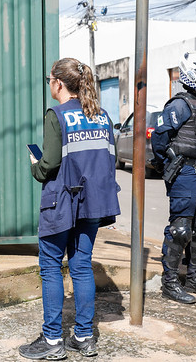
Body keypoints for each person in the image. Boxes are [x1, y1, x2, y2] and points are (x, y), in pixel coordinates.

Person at [18, 58, 120, 360]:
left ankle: (51, 342)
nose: (49, 83)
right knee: (81, 265)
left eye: (49, 78)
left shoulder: (56, 115)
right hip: (92, 203)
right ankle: (84, 337)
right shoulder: (101, 115)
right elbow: (109, 160)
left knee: (50, 266)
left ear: (58, 83)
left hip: (61, 202)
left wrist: (35, 168)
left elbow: (49, 165)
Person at [150, 52, 196, 304]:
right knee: (180, 229)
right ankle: (170, 282)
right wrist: (165, 164)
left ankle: (193, 276)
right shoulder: (179, 105)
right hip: (186, 173)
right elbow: (160, 137)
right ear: (193, 77)